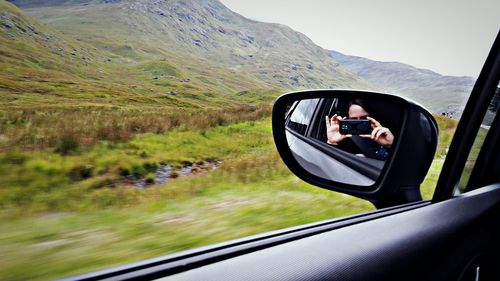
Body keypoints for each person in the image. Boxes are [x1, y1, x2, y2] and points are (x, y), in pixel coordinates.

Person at [325, 99, 394, 161]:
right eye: (353, 120)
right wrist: (332, 142)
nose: (359, 123)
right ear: (347, 120)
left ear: (373, 117)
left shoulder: (385, 134)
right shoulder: (345, 140)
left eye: (364, 118)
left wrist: (391, 144)